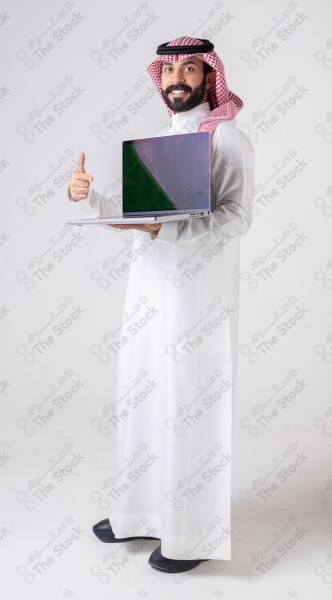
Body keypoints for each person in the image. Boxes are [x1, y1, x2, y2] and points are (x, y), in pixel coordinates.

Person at [67, 36, 255, 574]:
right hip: (147, 291)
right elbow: (140, 211)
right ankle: (140, 513)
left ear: (207, 76)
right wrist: (92, 197)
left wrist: (170, 233)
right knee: (141, 395)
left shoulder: (226, 139)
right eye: (169, 68)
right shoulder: (157, 138)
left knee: (186, 403)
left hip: (196, 298)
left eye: (189, 68)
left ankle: (188, 534)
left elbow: (238, 217)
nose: (177, 77)